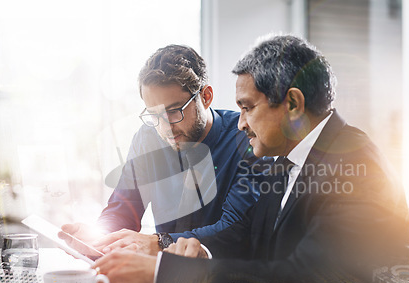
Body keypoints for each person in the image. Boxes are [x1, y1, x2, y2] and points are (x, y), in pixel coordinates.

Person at [94, 35, 409, 283]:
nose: (241, 121)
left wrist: (166, 274)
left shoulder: (356, 165)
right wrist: (198, 252)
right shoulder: (285, 161)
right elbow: (241, 234)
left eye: (247, 107)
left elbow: (309, 282)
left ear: (292, 104)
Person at [62, 45, 270, 255]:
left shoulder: (248, 138)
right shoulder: (147, 138)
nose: (166, 127)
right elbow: (123, 209)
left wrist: (160, 243)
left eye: (174, 111)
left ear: (205, 97)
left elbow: (234, 230)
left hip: (223, 277)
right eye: (155, 115)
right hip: (161, 274)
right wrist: (100, 238)